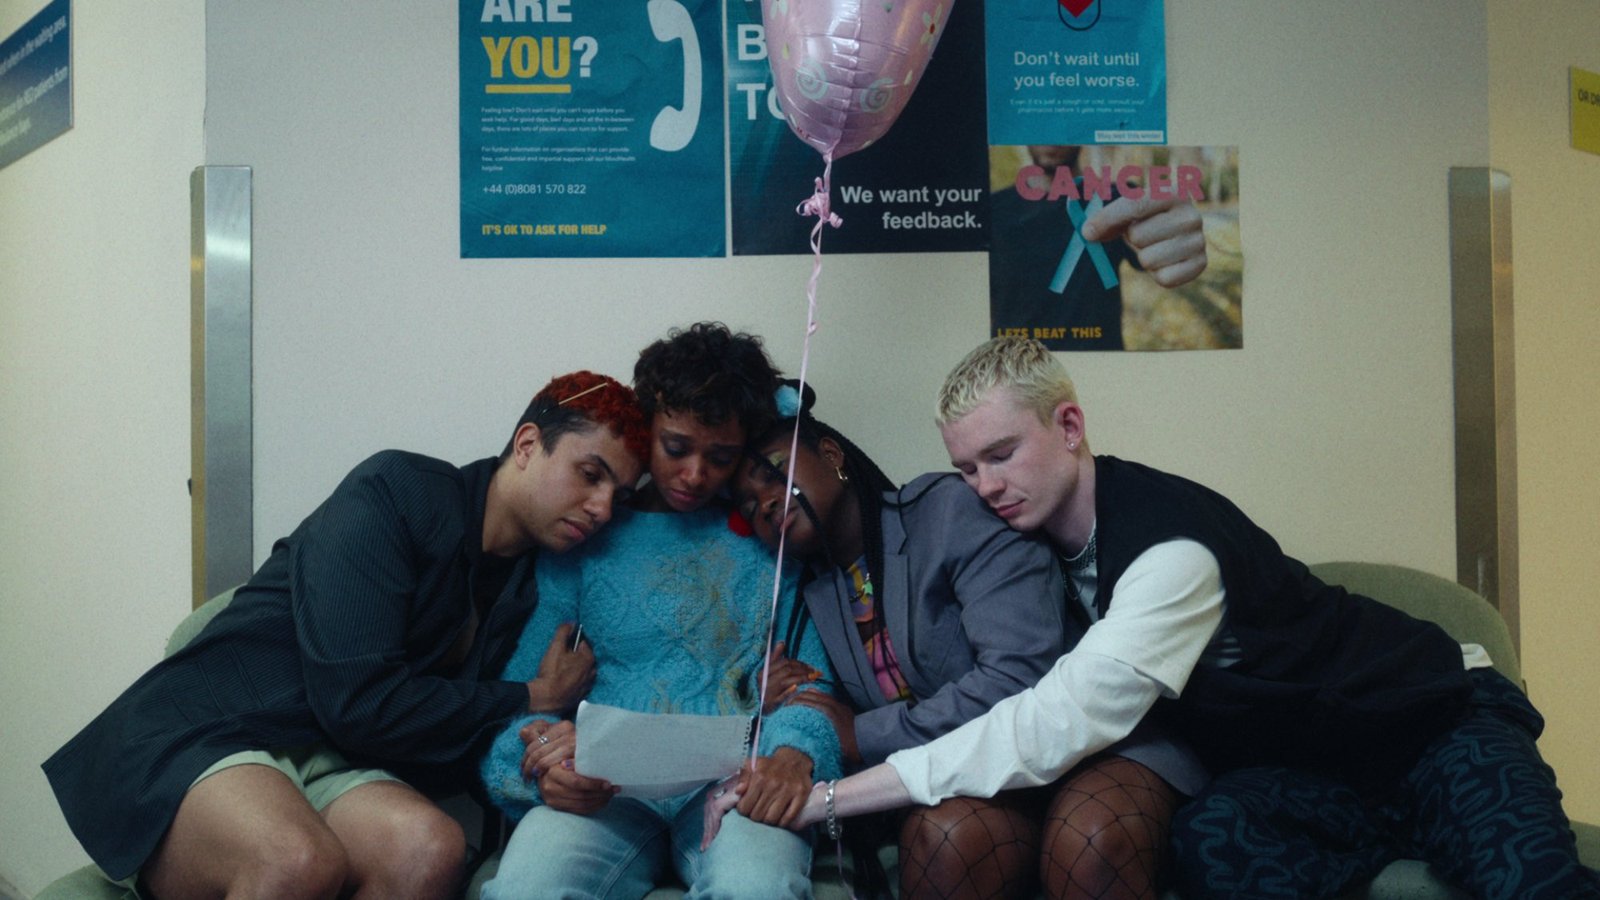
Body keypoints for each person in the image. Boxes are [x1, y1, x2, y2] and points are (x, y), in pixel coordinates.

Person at [771, 336, 1600, 900]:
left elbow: (1048, 726)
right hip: (1314, 774)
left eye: (1002, 455)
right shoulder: (1026, 547)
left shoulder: (1172, 551)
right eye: (966, 468)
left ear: (1069, 426)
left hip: (1430, 723)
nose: (984, 486)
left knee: (1535, 889)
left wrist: (833, 798)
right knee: (1213, 846)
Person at [41, 371, 650, 899]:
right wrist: (533, 697)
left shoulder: (528, 584)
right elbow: (359, 702)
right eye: (588, 473)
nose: (600, 507)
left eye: (616, 496)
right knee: (295, 860)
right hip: (210, 730)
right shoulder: (398, 490)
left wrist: (547, 752)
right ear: (526, 445)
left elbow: (448, 743)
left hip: (328, 759)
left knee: (429, 849)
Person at [730, 381, 1207, 899]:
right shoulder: (814, 593)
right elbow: (820, 708)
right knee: (944, 840)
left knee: (1088, 841)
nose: (766, 503)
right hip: (971, 781)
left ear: (830, 454)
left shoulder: (948, 510)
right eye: (749, 505)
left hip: (1091, 748)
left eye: (774, 474)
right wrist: (776, 693)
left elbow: (1018, 677)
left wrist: (862, 734)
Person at [479, 323, 842, 900]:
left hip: (735, 782)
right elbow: (519, 703)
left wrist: (795, 752)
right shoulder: (585, 535)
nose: (694, 474)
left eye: (720, 457)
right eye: (676, 448)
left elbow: (812, 693)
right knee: (527, 887)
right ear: (646, 428)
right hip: (606, 787)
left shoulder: (768, 539)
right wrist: (539, 762)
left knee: (759, 887)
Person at [989, 145, 1208, 351]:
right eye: (1041, 122)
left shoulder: (1117, 200)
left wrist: (1182, 241)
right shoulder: (991, 210)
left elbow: (1167, 251)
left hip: (1102, 368)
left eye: (1064, 122)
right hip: (1014, 374)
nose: (1051, 137)